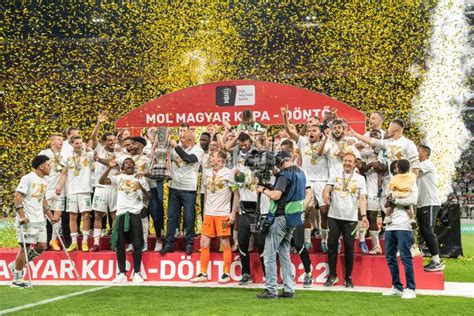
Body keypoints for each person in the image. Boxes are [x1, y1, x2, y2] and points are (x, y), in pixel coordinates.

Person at [256, 151, 306, 299]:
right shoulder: (301, 173)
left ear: (280, 162)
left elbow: (276, 196)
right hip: (294, 218)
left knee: (269, 254)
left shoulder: (284, 175)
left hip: (281, 217)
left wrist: (263, 189)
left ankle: (271, 289)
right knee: (284, 253)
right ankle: (289, 289)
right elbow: (288, 192)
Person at [191, 151, 240, 283]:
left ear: (219, 160)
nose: (210, 158)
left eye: (212, 157)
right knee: (204, 242)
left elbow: (236, 194)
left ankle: (226, 273)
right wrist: (205, 211)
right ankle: (203, 273)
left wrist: (233, 213)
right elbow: (206, 193)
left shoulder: (228, 173)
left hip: (222, 213)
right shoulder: (207, 173)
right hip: (209, 213)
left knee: (224, 243)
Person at [100, 156, 151, 283]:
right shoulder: (119, 178)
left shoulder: (141, 178)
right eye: (126, 163)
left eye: (131, 163)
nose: (129, 164)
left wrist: (142, 188)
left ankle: (137, 272)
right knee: (120, 243)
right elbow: (102, 181)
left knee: (137, 244)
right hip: (121, 213)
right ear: (122, 168)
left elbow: (150, 196)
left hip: (134, 213)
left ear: (134, 166)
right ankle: (121, 273)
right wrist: (109, 168)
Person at [11, 155, 58, 288]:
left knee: (41, 246)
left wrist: (51, 216)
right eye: (48, 165)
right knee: (25, 248)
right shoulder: (28, 178)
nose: (50, 167)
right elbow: (18, 196)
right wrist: (21, 215)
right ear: (41, 166)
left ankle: (15, 266)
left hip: (40, 219)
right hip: (28, 219)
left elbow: (42, 200)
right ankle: (17, 278)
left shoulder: (44, 182)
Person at [323, 152, 368, 288]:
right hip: (334, 216)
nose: (347, 163)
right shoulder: (335, 174)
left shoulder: (360, 179)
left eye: (350, 161)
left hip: (350, 218)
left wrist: (364, 215)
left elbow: (362, 198)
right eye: (346, 161)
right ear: (343, 162)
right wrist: (325, 194)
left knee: (349, 248)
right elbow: (327, 189)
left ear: (354, 164)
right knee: (332, 246)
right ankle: (332, 275)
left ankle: (348, 277)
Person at [160, 131, 204, 255]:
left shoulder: (198, 150)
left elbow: (188, 159)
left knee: (189, 217)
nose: (180, 139)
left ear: (190, 140)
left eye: (183, 138)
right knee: (172, 217)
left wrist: (176, 146)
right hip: (174, 187)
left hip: (189, 189)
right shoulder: (176, 146)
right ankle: (169, 243)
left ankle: (189, 243)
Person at [382, 159, 418, 299]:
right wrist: (389, 202)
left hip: (404, 224)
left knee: (405, 257)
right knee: (390, 257)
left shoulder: (411, 182)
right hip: (391, 224)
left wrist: (395, 201)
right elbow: (387, 199)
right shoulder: (393, 182)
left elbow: (413, 200)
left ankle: (411, 288)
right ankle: (397, 286)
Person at [56, 136, 94, 252]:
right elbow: (63, 174)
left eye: (80, 143)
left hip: (85, 189)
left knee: (86, 215)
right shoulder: (67, 157)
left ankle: (84, 242)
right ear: (72, 144)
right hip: (71, 190)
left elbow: (94, 139)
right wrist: (59, 186)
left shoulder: (88, 154)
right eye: (76, 143)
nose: (79, 145)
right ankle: (73, 243)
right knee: (72, 216)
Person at [417, 145, 445, 272]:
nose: (416, 153)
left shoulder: (427, 164)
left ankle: (437, 261)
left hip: (430, 202)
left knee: (428, 230)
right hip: (423, 203)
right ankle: (433, 259)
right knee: (424, 231)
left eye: (418, 150)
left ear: (424, 153)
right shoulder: (421, 165)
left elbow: (412, 171)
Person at [39, 133, 65, 251]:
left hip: (60, 189)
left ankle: (53, 239)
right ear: (52, 142)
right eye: (59, 140)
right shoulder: (45, 153)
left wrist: (60, 185)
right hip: (47, 188)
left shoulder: (64, 154)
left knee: (58, 215)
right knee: (44, 214)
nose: (61, 142)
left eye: (62, 140)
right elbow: (37, 168)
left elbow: (64, 172)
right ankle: (42, 239)